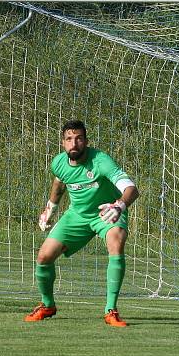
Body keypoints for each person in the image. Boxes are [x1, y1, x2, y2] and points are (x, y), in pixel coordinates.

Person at [25, 120, 140, 327]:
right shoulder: (58, 163)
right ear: (63, 143)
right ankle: (47, 305)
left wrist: (119, 206)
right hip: (76, 215)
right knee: (43, 256)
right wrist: (49, 209)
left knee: (116, 240)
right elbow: (59, 183)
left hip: (106, 212)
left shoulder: (101, 161)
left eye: (78, 139)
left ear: (86, 141)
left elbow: (131, 188)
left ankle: (111, 310)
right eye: (69, 139)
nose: (74, 143)